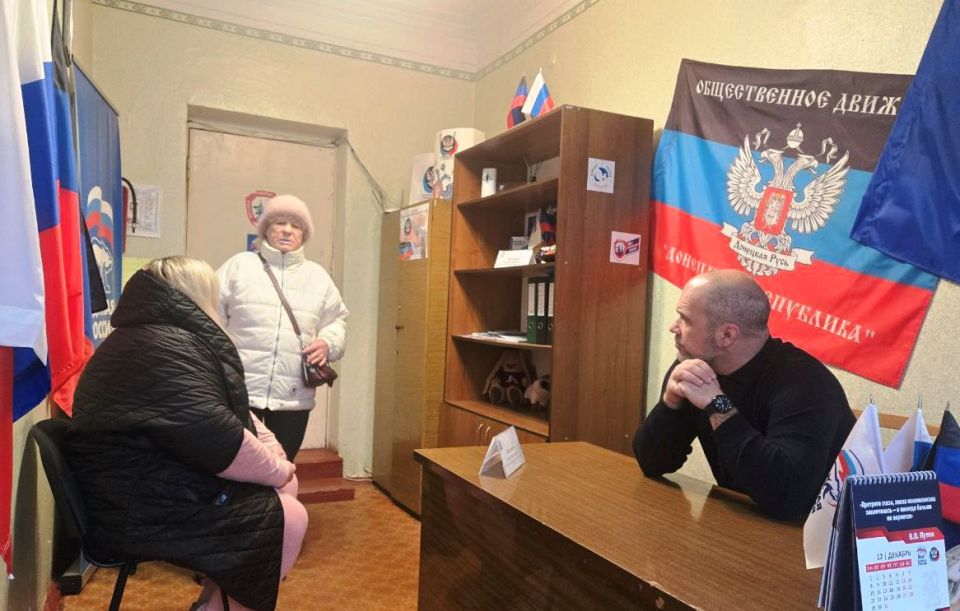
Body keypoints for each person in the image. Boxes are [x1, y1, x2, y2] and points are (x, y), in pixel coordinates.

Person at [67, 256, 308, 611]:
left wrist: (276, 458)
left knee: (281, 491)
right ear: (196, 293)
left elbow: (235, 415)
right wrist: (277, 469)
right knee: (289, 516)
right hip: (135, 507)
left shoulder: (158, 337)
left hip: (139, 488)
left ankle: (210, 604)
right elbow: (217, 435)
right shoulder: (162, 344)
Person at [633, 269, 855, 520]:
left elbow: (787, 496)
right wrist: (670, 403)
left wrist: (718, 404)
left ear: (727, 335)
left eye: (685, 319)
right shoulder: (697, 366)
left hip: (817, 532)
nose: (674, 327)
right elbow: (652, 463)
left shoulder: (807, 384)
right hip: (743, 518)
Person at [218, 194, 348, 461]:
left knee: (282, 464)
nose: (287, 230)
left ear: (304, 234)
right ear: (266, 228)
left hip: (293, 396)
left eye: (296, 225)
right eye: (279, 222)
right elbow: (210, 316)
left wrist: (327, 343)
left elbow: (336, 320)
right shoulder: (239, 266)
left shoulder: (318, 277)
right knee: (237, 463)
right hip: (241, 391)